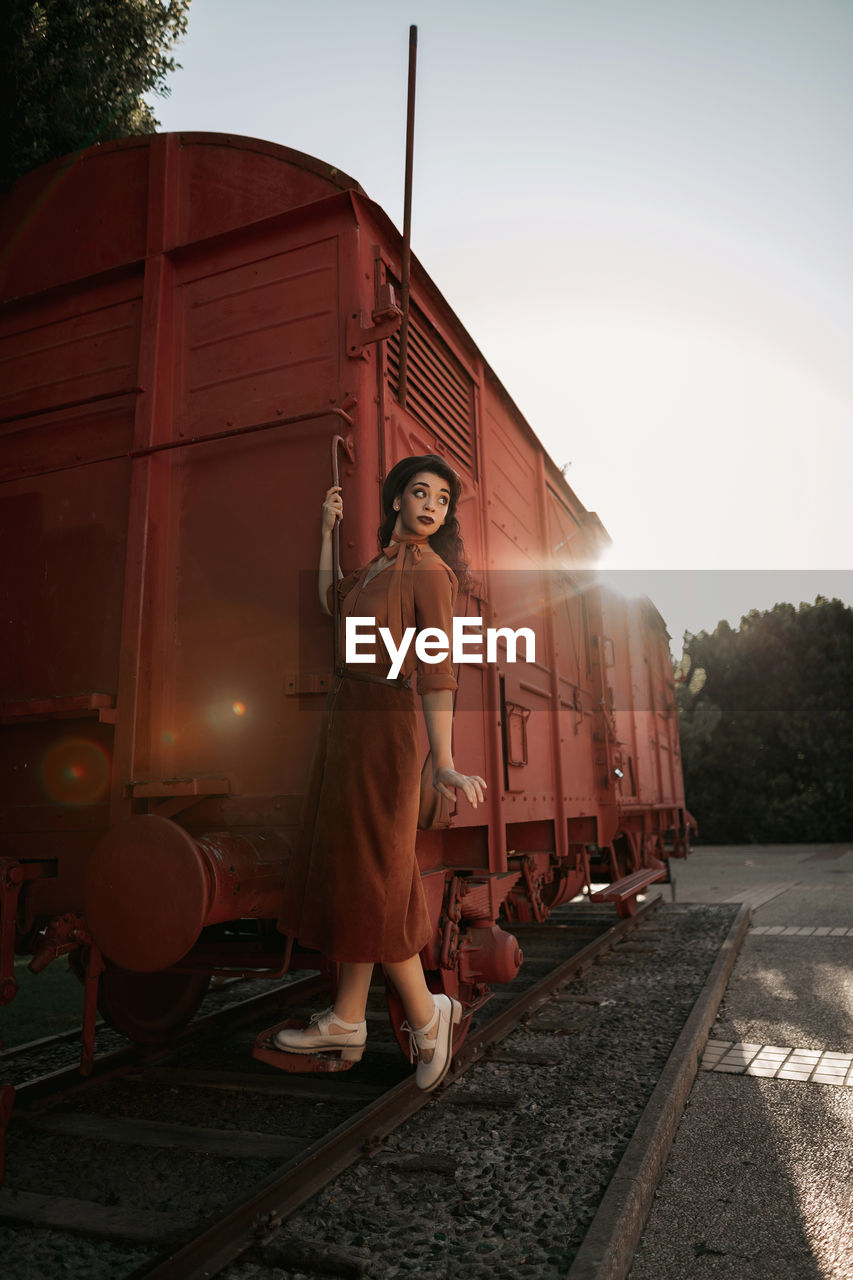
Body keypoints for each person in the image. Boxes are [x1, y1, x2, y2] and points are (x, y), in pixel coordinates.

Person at [275, 454, 486, 1090]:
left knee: (374, 873)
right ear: (397, 500)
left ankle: (425, 1018)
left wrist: (444, 763)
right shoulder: (377, 568)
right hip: (347, 722)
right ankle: (347, 1016)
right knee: (357, 870)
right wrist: (324, 531)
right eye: (420, 493)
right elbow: (327, 604)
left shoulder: (430, 572)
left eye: (442, 499)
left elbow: (439, 670)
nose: (431, 506)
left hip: (384, 725)